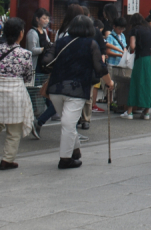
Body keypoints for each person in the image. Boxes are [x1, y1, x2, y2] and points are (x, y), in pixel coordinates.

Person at [44, 15, 114, 169]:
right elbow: (100, 67)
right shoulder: (91, 44)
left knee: (67, 122)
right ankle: (65, 159)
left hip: (56, 87)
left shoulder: (60, 42)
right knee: (69, 123)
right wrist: (109, 83)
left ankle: (75, 151)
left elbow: (46, 61)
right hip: (77, 88)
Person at [0, 18, 34, 170]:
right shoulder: (25, 54)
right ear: (21, 34)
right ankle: (7, 160)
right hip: (15, 93)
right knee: (14, 131)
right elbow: (28, 77)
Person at [124, 13, 151, 120]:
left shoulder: (135, 30)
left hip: (141, 59)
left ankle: (130, 112)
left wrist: (130, 52)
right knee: (150, 84)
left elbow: (132, 46)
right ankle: (146, 112)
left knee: (136, 82)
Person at [26, 8, 55, 139]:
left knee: (45, 91)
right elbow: (31, 50)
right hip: (36, 67)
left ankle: (48, 112)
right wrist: (44, 48)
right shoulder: (32, 33)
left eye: (47, 18)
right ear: (37, 19)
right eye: (44, 18)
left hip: (44, 68)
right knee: (39, 93)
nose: (47, 21)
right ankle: (39, 116)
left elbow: (48, 43)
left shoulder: (44, 31)